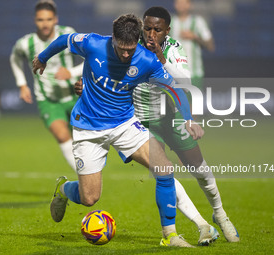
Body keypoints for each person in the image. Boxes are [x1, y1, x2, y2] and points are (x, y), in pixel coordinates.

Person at [33, 13, 204, 248]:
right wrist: (42, 58)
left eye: (130, 49)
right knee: (90, 198)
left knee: (164, 168)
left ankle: (170, 236)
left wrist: (188, 119)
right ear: (112, 38)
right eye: (121, 48)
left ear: (137, 42)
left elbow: (173, 89)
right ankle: (63, 189)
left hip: (124, 125)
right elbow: (64, 40)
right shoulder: (93, 43)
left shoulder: (147, 60)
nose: (125, 54)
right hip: (88, 127)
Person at [137, 6, 239, 243]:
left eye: (157, 30)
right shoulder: (133, 46)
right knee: (164, 173)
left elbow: (183, 82)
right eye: (147, 28)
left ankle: (220, 214)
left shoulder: (174, 48)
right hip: (144, 121)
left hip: (172, 116)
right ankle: (199, 225)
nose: (151, 34)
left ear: (167, 31)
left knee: (200, 170)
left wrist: (160, 58)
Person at [10, 0, 83, 171]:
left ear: (55, 19)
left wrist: (71, 73)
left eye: (49, 19)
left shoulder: (68, 34)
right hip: (48, 100)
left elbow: (90, 58)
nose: (45, 24)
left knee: (83, 140)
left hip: (74, 96)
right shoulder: (26, 43)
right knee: (62, 135)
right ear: (35, 21)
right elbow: (14, 58)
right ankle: (83, 178)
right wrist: (22, 84)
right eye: (40, 20)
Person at [170, 0, 215, 92]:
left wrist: (195, 37)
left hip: (194, 73)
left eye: (184, 3)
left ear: (189, 5)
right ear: (175, 5)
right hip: (175, 73)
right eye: (178, 3)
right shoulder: (170, 23)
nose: (181, 5)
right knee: (177, 105)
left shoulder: (198, 22)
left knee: (193, 104)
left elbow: (210, 46)